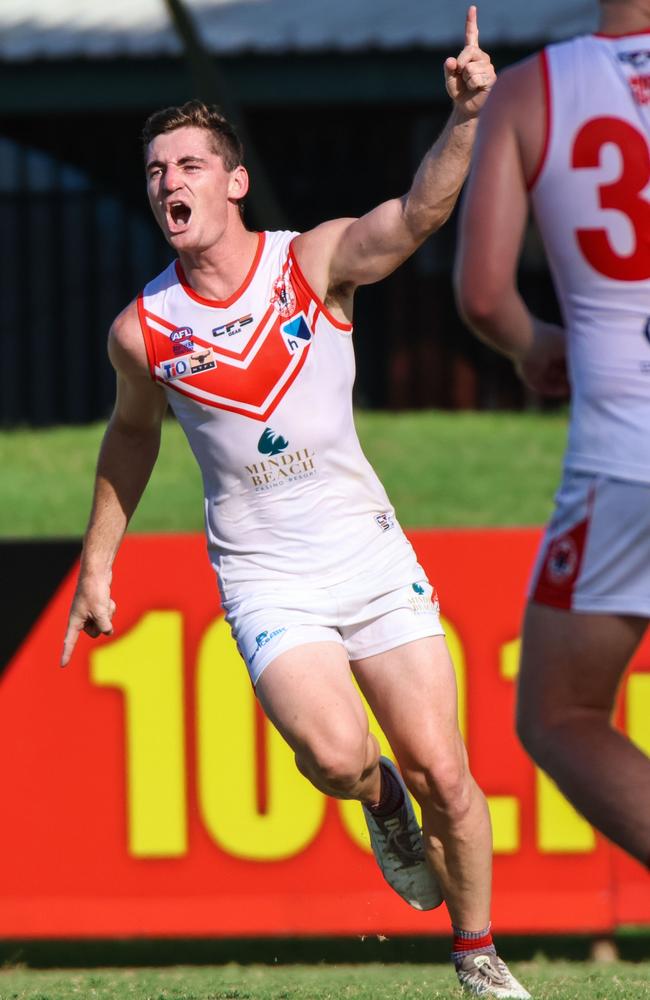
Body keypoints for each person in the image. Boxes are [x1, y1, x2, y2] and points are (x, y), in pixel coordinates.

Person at [61, 8, 529, 996]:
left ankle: (477, 958)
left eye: (187, 165)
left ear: (232, 181)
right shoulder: (144, 330)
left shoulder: (309, 263)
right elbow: (132, 434)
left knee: (447, 767)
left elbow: (414, 217)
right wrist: (97, 562)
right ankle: (377, 802)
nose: (166, 183)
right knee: (329, 754)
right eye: (155, 172)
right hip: (266, 576)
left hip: (366, 552)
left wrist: (466, 120)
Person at [455, 0, 650, 874]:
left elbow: (485, 293)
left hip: (626, 451)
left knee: (561, 714)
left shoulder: (535, 89)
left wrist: (535, 347)